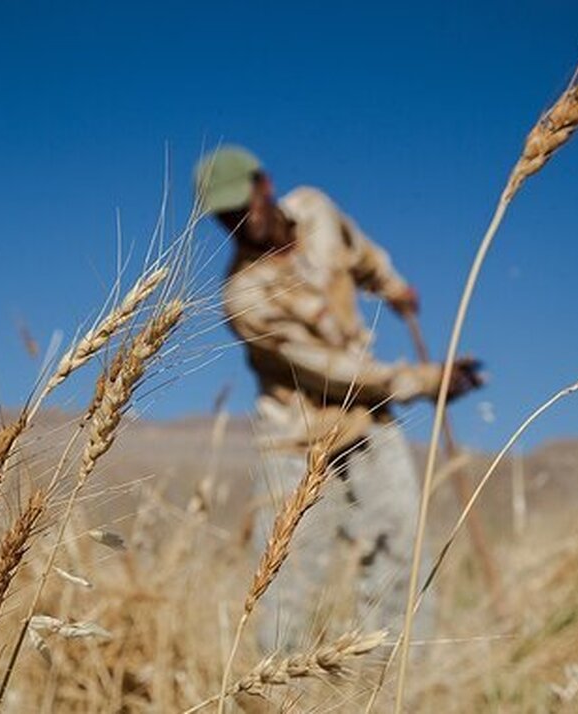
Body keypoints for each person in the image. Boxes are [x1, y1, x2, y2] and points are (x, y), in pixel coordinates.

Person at [195, 145, 484, 650]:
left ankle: (402, 688)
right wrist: (426, 380)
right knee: (288, 576)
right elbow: (333, 372)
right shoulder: (243, 297)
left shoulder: (316, 210)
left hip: (368, 421)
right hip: (294, 441)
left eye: (243, 207)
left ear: (264, 184)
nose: (238, 223)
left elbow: (361, 252)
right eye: (225, 217)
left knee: (401, 553)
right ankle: (278, 695)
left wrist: (393, 288)